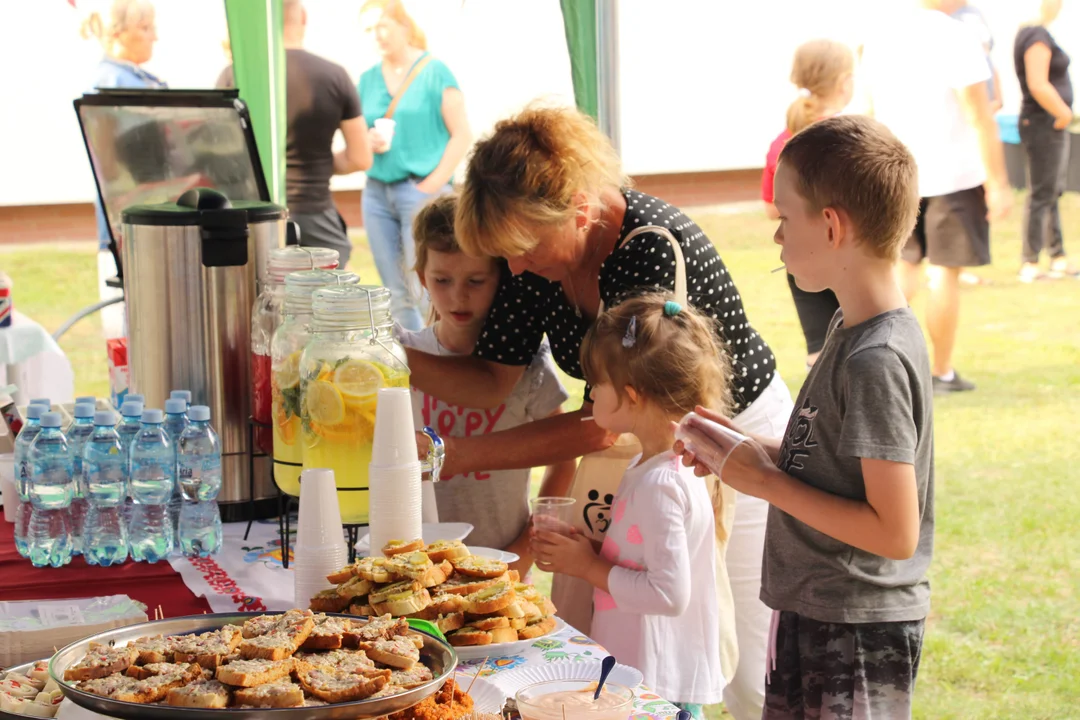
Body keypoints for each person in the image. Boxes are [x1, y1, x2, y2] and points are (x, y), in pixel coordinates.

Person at [406, 104, 794, 720]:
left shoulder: (650, 248)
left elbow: (606, 418)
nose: (515, 269)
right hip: (639, 453)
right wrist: (384, 357)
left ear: (580, 211)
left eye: (524, 248)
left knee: (741, 661)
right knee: (621, 646)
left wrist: (454, 457)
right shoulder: (532, 254)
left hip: (737, 444)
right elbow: (491, 381)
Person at [677, 115, 934, 718]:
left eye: (784, 218)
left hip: (856, 630)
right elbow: (829, 466)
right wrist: (741, 447)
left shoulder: (876, 358)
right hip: (819, 612)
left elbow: (894, 532)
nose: (776, 237)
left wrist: (764, 483)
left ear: (831, 225)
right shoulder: (851, 327)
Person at [534, 294, 732, 720]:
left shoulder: (661, 483)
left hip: (657, 689)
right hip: (643, 674)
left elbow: (667, 593)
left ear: (631, 396)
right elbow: (643, 556)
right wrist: (590, 549)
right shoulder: (653, 465)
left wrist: (588, 568)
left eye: (596, 385)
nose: (590, 395)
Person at [401, 194, 575, 577]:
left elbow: (565, 459)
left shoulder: (528, 367)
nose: (458, 296)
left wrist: (523, 552)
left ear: (503, 278)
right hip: (418, 568)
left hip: (505, 567)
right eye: (442, 280)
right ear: (421, 278)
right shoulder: (402, 359)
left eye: (475, 281)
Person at [861, 0, 1013, 394]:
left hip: (897, 173)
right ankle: (940, 372)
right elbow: (980, 115)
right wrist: (997, 182)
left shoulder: (882, 37)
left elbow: (871, 111)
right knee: (944, 272)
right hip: (954, 175)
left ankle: (872, 360)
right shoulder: (957, 35)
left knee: (902, 270)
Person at [217, 0, 372, 266]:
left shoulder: (235, 75)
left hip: (252, 215)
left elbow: (222, 152)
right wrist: (319, 163)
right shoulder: (334, 76)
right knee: (324, 302)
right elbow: (361, 158)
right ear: (303, 18)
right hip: (313, 213)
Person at [358, 0, 472, 330]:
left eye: (382, 26)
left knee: (426, 287)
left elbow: (462, 133)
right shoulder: (367, 79)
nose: (376, 35)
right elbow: (356, 134)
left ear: (403, 26)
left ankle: (441, 355)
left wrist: (432, 185)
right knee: (394, 290)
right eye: (369, 30)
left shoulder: (435, 71)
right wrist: (368, 142)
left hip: (420, 190)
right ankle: (412, 367)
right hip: (376, 193)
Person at [762, 39, 853, 369]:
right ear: (845, 82)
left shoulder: (783, 139)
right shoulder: (854, 136)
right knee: (860, 340)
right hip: (846, 255)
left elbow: (772, 208)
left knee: (820, 350)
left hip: (798, 255)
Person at [82, 0, 165, 341]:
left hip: (150, 220)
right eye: (145, 29)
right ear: (118, 33)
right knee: (135, 338)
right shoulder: (113, 82)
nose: (155, 37)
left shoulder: (135, 78)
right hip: (131, 227)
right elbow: (111, 162)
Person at [1014, 0, 1077, 282]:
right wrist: (1063, 113)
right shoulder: (1035, 34)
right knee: (1041, 193)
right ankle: (1030, 262)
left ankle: (1057, 255)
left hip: (1049, 124)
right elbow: (1038, 83)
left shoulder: (1040, 33)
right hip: (1043, 123)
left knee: (1052, 191)